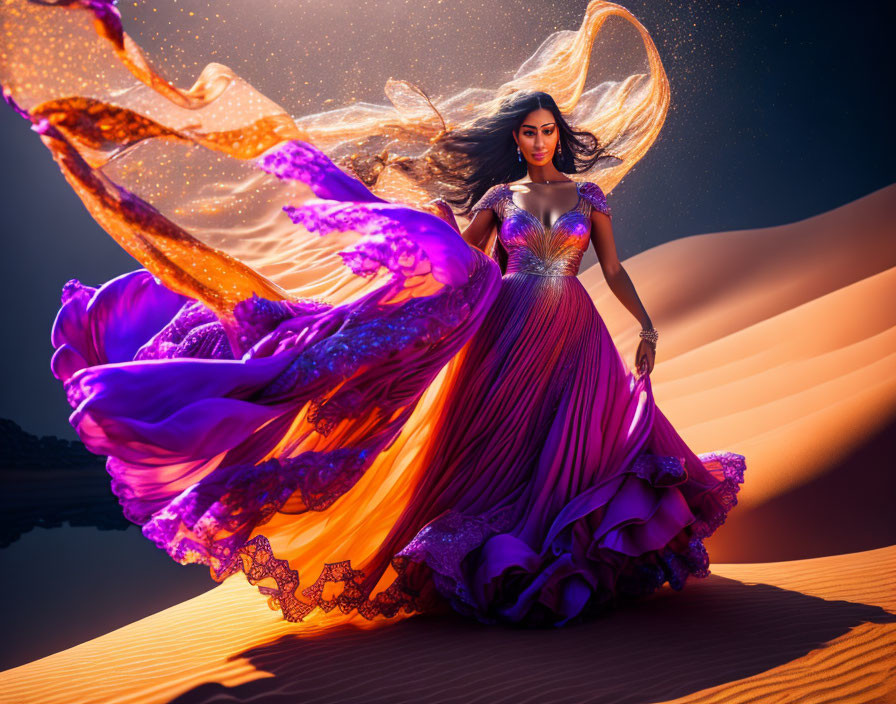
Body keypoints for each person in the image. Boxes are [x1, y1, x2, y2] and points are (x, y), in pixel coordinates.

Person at [0, 0, 744, 629]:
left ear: (560, 137)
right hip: (512, 323)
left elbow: (610, 269)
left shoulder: (590, 200)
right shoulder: (496, 201)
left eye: (550, 130)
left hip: (575, 327)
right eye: (530, 131)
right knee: (506, 449)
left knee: (581, 441)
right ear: (516, 141)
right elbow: (476, 261)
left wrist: (643, 323)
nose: (541, 139)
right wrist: (426, 248)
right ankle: (510, 557)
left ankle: (589, 549)